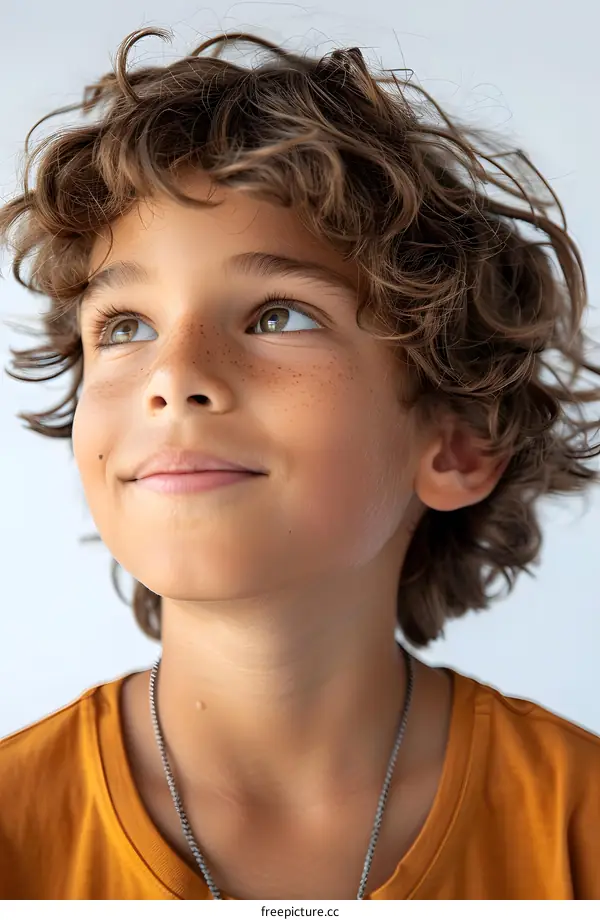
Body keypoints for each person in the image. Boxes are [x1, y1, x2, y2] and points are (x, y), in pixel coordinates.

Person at [0, 24, 599, 901]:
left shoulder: (577, 828)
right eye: (125, 326)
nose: (174, 377)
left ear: (457, 445)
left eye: (278, 315)